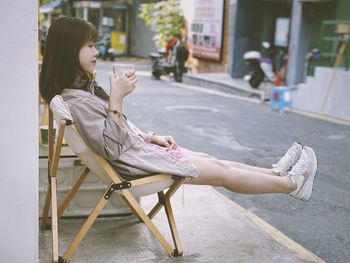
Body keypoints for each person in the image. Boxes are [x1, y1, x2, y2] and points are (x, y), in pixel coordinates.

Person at [40, 17, 317, 202]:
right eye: (89, 45)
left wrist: (150, 137)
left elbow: (114, 136)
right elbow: (111, 149)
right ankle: (292, 185)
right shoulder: (75, 100)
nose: (96, 51)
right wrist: (116, 99)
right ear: (68, 50)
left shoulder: (79, 91)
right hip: (136, 165)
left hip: (140, 151)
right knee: (221, 173)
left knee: (215, 160)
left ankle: (276, 174)